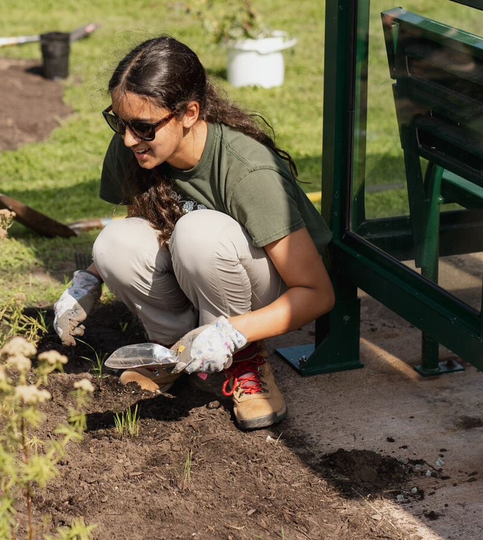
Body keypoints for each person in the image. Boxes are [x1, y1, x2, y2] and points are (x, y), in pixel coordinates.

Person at [53, 36, 334, 430]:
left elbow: (317, 294)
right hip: (200, 268)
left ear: (189, 113)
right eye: (120, 122)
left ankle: (244, 362)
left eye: (144, 127)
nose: (129, 138)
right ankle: (177, 355)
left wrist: (233, 332)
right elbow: (145, 227)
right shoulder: (136, 148)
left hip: (269, 288)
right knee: (114, 243)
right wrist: (87, 281)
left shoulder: (248, 173)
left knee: (198, 233)